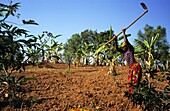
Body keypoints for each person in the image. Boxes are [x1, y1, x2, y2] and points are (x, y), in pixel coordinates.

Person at [115, 28, 142, 93]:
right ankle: (132, 93)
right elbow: (117, 49)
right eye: (122, 47)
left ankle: (137, 92)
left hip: (135, 66)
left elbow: (126, 42)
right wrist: (115, 40)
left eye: (124, 47)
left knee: (135, 81)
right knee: (130, 82)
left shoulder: (130, 49)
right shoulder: (124, 52)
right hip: (131, 67)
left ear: (126, 46)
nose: (123, 48)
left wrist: (123, 33)